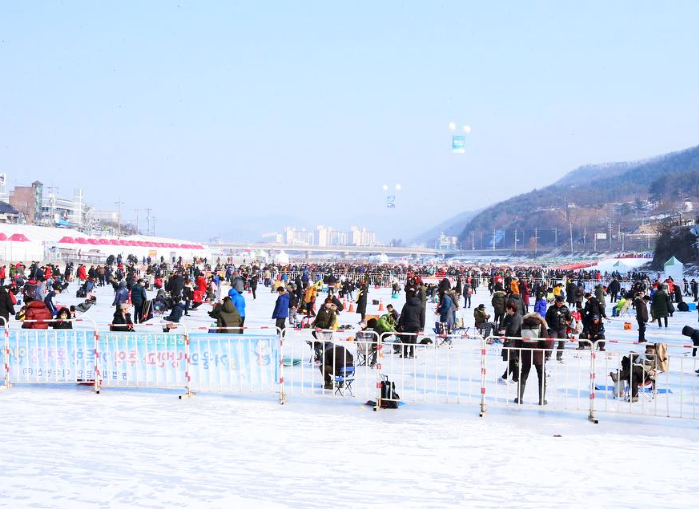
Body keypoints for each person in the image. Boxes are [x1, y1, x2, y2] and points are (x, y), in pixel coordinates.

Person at [517, 313, 553, 405]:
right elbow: (545, 343)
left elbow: (517, 341)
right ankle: (541, 399)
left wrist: (519, 353)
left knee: (523, 375)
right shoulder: (541, 326)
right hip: (539, 354)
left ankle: (519, 398)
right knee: (541, 376)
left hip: (526, 354)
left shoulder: (522, 326)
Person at [499, 301, 522, 384]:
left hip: (514, 341)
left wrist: (507, 336)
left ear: (511, 309)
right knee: (512, 360)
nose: (506, 309)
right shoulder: (511, 316)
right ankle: (507, 376)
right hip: (511, 341)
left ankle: (515, 378)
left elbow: (513, 330)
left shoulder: (516, 318)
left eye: (507, 308)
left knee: (514, 359)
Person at [398, 291, 424, 358]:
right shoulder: (420, 305)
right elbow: (422, 317)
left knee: (406, 339)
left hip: (407, 324)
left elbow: (403, 315)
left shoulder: (406, 304)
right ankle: (412, 353)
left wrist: (401, 324)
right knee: (414, 339)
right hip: (416, 325)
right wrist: (422, 326)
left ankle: (404, 353)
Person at [545, 296, 572, 362]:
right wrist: (550, 325)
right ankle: (548, 355)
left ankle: (559, 355)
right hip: (554, 328)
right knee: (551, 342)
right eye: (559, 302)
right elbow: (547, 318)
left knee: (562, 343)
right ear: (556, 302)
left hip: (563, 328)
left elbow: (569, 318)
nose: (560, 304)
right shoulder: (551, 308)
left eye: (561, 303)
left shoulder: (565, 309)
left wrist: (567, 322)